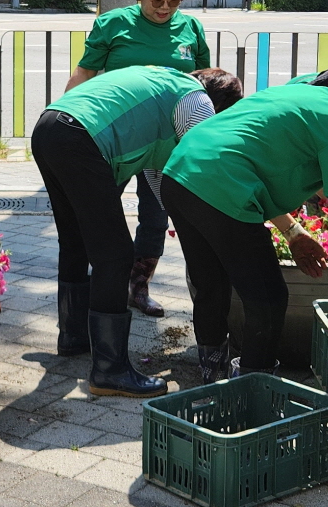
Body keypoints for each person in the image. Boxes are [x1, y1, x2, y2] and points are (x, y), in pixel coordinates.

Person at [160, 63, 328, 380]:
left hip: (180, 174)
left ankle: (210, 372)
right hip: (220, 184)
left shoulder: (305, 91)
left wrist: (294, 234)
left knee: (211, 284)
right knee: (267, 299)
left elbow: (262, 160)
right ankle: (252, 391)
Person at [34, 65, 243, 395]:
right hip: (79, 137)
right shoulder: (197, 101)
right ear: (220, 106)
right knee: (115, 256)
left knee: (75, 240)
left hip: (51, 126)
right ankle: (109, 371)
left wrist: (185, 222)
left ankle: (74, 337)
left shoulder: (166, 94)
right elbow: (206, 166)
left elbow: (162, 185)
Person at [65, 0, 211, 318]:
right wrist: (66, 122)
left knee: (157, 214)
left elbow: (206, 84)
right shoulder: (113, 24)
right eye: (157, 0)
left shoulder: (190, 29)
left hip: (166, 144)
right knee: (98, 214)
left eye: (174, 1)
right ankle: (96, 288)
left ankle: (139, 286)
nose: (165, 9)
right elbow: (84, 75)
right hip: (116, 140)